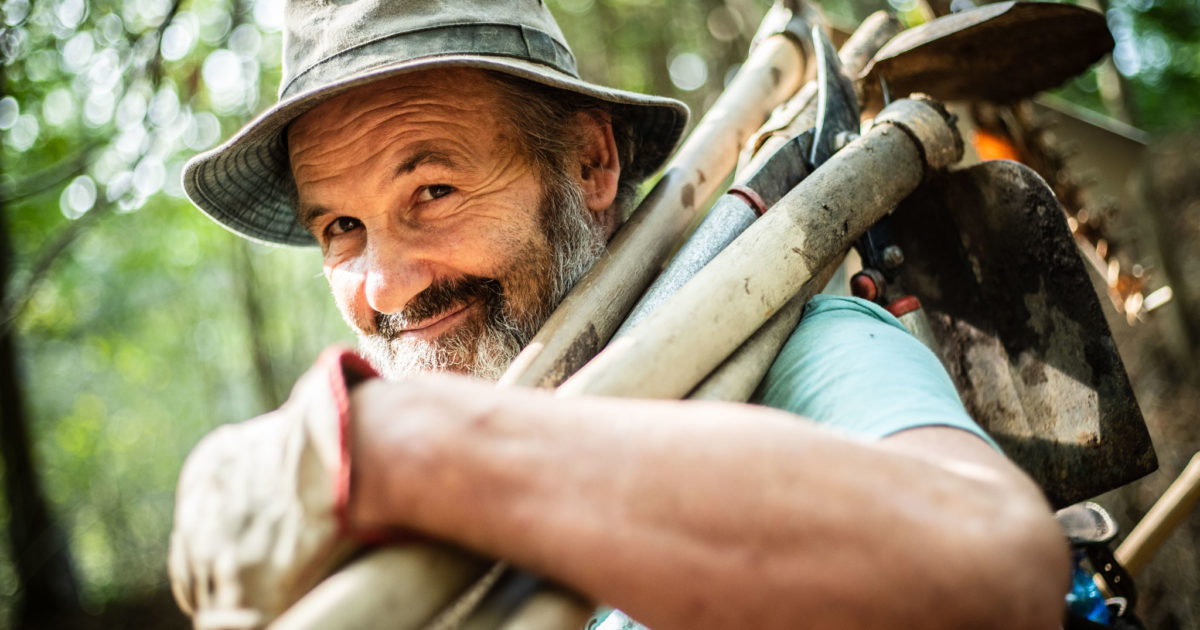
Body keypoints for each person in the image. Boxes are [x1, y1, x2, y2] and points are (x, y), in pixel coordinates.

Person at [168, 1, 1070, 629]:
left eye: (432, 190)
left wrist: (412, 445)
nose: (386, 284)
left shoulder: (785, 346)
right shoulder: (395, 511)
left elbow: (997, 573)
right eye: (342, 228)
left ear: (593, 165)